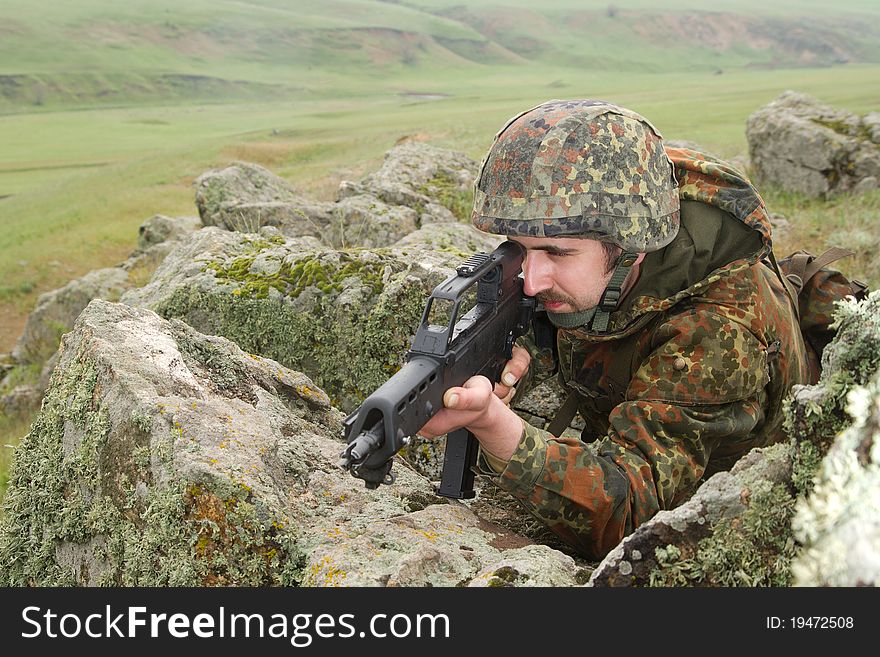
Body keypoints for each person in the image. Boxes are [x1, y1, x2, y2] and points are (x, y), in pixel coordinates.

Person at [417, 99, 811, 560]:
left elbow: (626, 514)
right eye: (517, 249)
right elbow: (544, 308)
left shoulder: (715, 334)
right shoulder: (621, 192)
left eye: (558, 254)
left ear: (633, 248)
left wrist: (494, 425)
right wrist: (516, 350)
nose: (532, 279)